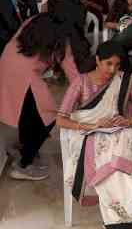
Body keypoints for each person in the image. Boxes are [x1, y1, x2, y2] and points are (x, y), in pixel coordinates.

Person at [57, 42, 132, 229]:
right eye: (108, 64)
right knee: (107, 157)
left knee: (127, 147)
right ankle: (122, 219)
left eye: (117, 65)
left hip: (118, 131)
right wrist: (91, 126)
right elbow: (61, 119)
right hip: (87, 134)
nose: (113, 70)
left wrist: (129, 120)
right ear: (97, 60)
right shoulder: (81, 82)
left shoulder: (124, 80)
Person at [0, 13, 90, 180]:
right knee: (47, 117)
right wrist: (87, 96)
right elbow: (71, 70)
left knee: (27, 111)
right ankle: (23, 165)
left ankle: (24, 149)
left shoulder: (33, 20)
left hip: (6, 62)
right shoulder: (62, 37)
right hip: (25, 75)